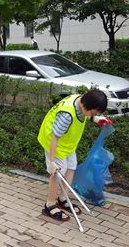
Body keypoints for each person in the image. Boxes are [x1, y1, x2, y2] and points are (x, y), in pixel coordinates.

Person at [38, 89, 112, 222]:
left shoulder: (81, 100)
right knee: (57, 173)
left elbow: (84, 114)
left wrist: (96, 119)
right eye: (93, 112)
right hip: (55, 144)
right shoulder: (67, 115)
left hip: (67, 143)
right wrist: (51, 161)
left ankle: (63, 198)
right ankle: (49, 205)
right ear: (87, 106)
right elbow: (54, 137)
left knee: (71, 167)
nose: (92, 114)